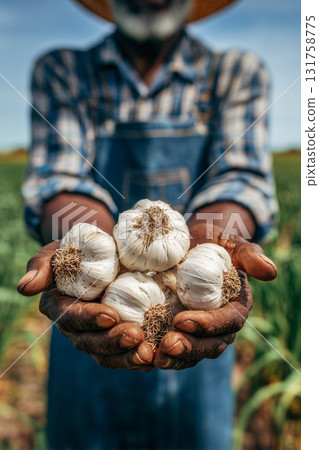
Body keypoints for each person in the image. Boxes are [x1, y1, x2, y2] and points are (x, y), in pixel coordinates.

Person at [17, 0, 278, 448]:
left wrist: (214, 240)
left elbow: (242, 177)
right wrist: (82, 254)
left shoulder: (237, 72)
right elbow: (60, 177)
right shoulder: (62, 70)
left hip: (196, 353)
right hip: (90, 347)